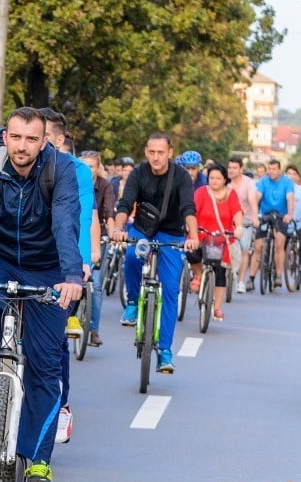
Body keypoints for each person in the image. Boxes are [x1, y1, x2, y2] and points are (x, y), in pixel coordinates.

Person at [0, 106, 84, 482]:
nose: (22, 146)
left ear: (44, 141)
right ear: (5, 136)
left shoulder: (59, 168)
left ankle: (39, 460)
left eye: (32, 138)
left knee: (46, 365)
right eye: (15, 137)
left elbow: (65, 221)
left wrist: (72, 277)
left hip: (48, 268)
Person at [113, 133, 198, 373]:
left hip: (172, 235)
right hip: (143, 230)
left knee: (171, 290)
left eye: (161, 152)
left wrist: (193, 236)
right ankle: (131, 302)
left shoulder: (181, 176)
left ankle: (165, 351)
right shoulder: (139, 173)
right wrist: (119, 228)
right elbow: (125, 204)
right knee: (131, 256)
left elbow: (188, 208)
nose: (156, 157)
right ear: (146, 151)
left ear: (170, 152)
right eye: (151, 152)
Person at [38, 109, 96, 445]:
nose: (32, 144)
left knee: (54, 338)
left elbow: (81, 219)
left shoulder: (78, 172)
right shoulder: (17, 165)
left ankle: (61, 406)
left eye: (41, 137)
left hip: (60, 262)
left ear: (59, 140)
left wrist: (82, 263)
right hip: (20, 259)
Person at [186, 164, 242, 320]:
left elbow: (237, 212)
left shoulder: (231, 195)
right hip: (201, 233)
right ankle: (198, 274)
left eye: (218, 178)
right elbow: (193, 211)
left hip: (221, 238)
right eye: (211, 178)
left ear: (225, 179)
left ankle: (217, 308)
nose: (214, 181)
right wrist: (190, 227)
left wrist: (239, 227)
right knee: (192, 253)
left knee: (220, 272)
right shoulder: (201, 192)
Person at [81, 150, 117, 347]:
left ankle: (93, 329)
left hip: (98, 236)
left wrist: (112, 236)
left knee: (95, 283)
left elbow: (109, 213)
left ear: (98, 168)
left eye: (92, 166)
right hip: (76, 236)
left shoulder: (104, 185)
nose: (88, 170)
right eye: (84, 165)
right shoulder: (73, 180)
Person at [248, 159, 294, 290]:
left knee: (279, 244)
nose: (271, 171)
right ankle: (251, 278)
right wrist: (255, 216)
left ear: (279, 170)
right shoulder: (263, 181)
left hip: (281, 215)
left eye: (274, 169)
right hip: (265, 214)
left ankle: (278, 275)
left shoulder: (287, 182)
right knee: (258, 247)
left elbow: (290, 198)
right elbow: (256, 197)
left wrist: (289, 215)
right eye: (270, 169)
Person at [227, 158, 258, 293]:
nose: (231, 170)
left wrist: (255, 217)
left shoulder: (249, 183)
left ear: (240, 169)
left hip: (245, 220)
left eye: (234, 167)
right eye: (229, 167)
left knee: (244, 249)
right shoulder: (225, 183)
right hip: (228, 220)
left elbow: (252, 200)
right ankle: (228, 275)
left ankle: (241, 282)